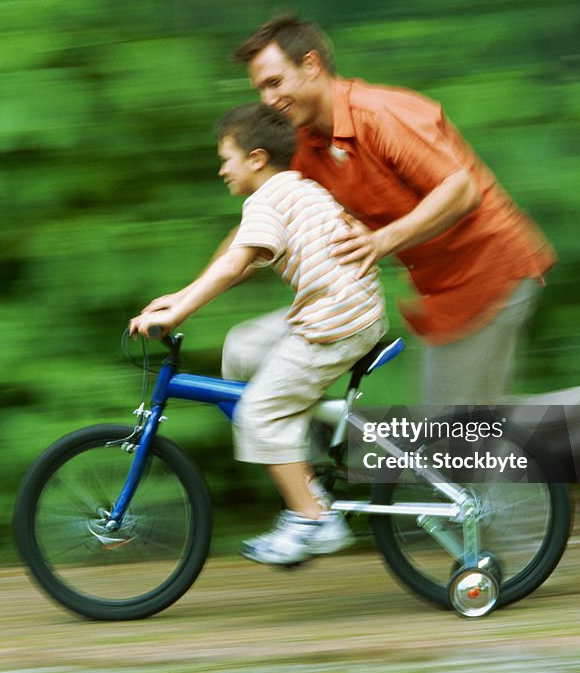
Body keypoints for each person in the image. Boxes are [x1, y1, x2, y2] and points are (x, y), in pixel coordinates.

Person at [228, 14, 580, 411]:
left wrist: (380, 241)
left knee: (453, 434)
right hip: (440, 289)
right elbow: (267, 224)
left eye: (274, 82)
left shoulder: (380, 115)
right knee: (467, 426)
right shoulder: (308, 144)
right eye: (260, 90)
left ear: (311, 65)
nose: (268, 100)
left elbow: (460, 189)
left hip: (487, 273)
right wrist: (191, 296)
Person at [129, 103, 387, 564]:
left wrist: (177, 313)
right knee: (243, 347)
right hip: (342, 310)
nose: (222, 168)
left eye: (226, 157)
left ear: (257, 158)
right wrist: (181, 296)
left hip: (336, 325)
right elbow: (242, 263)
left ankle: (313, 518)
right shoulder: (294, 190)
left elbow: (233, 265)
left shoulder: (268, 200)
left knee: (256, 412)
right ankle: (298, 438)